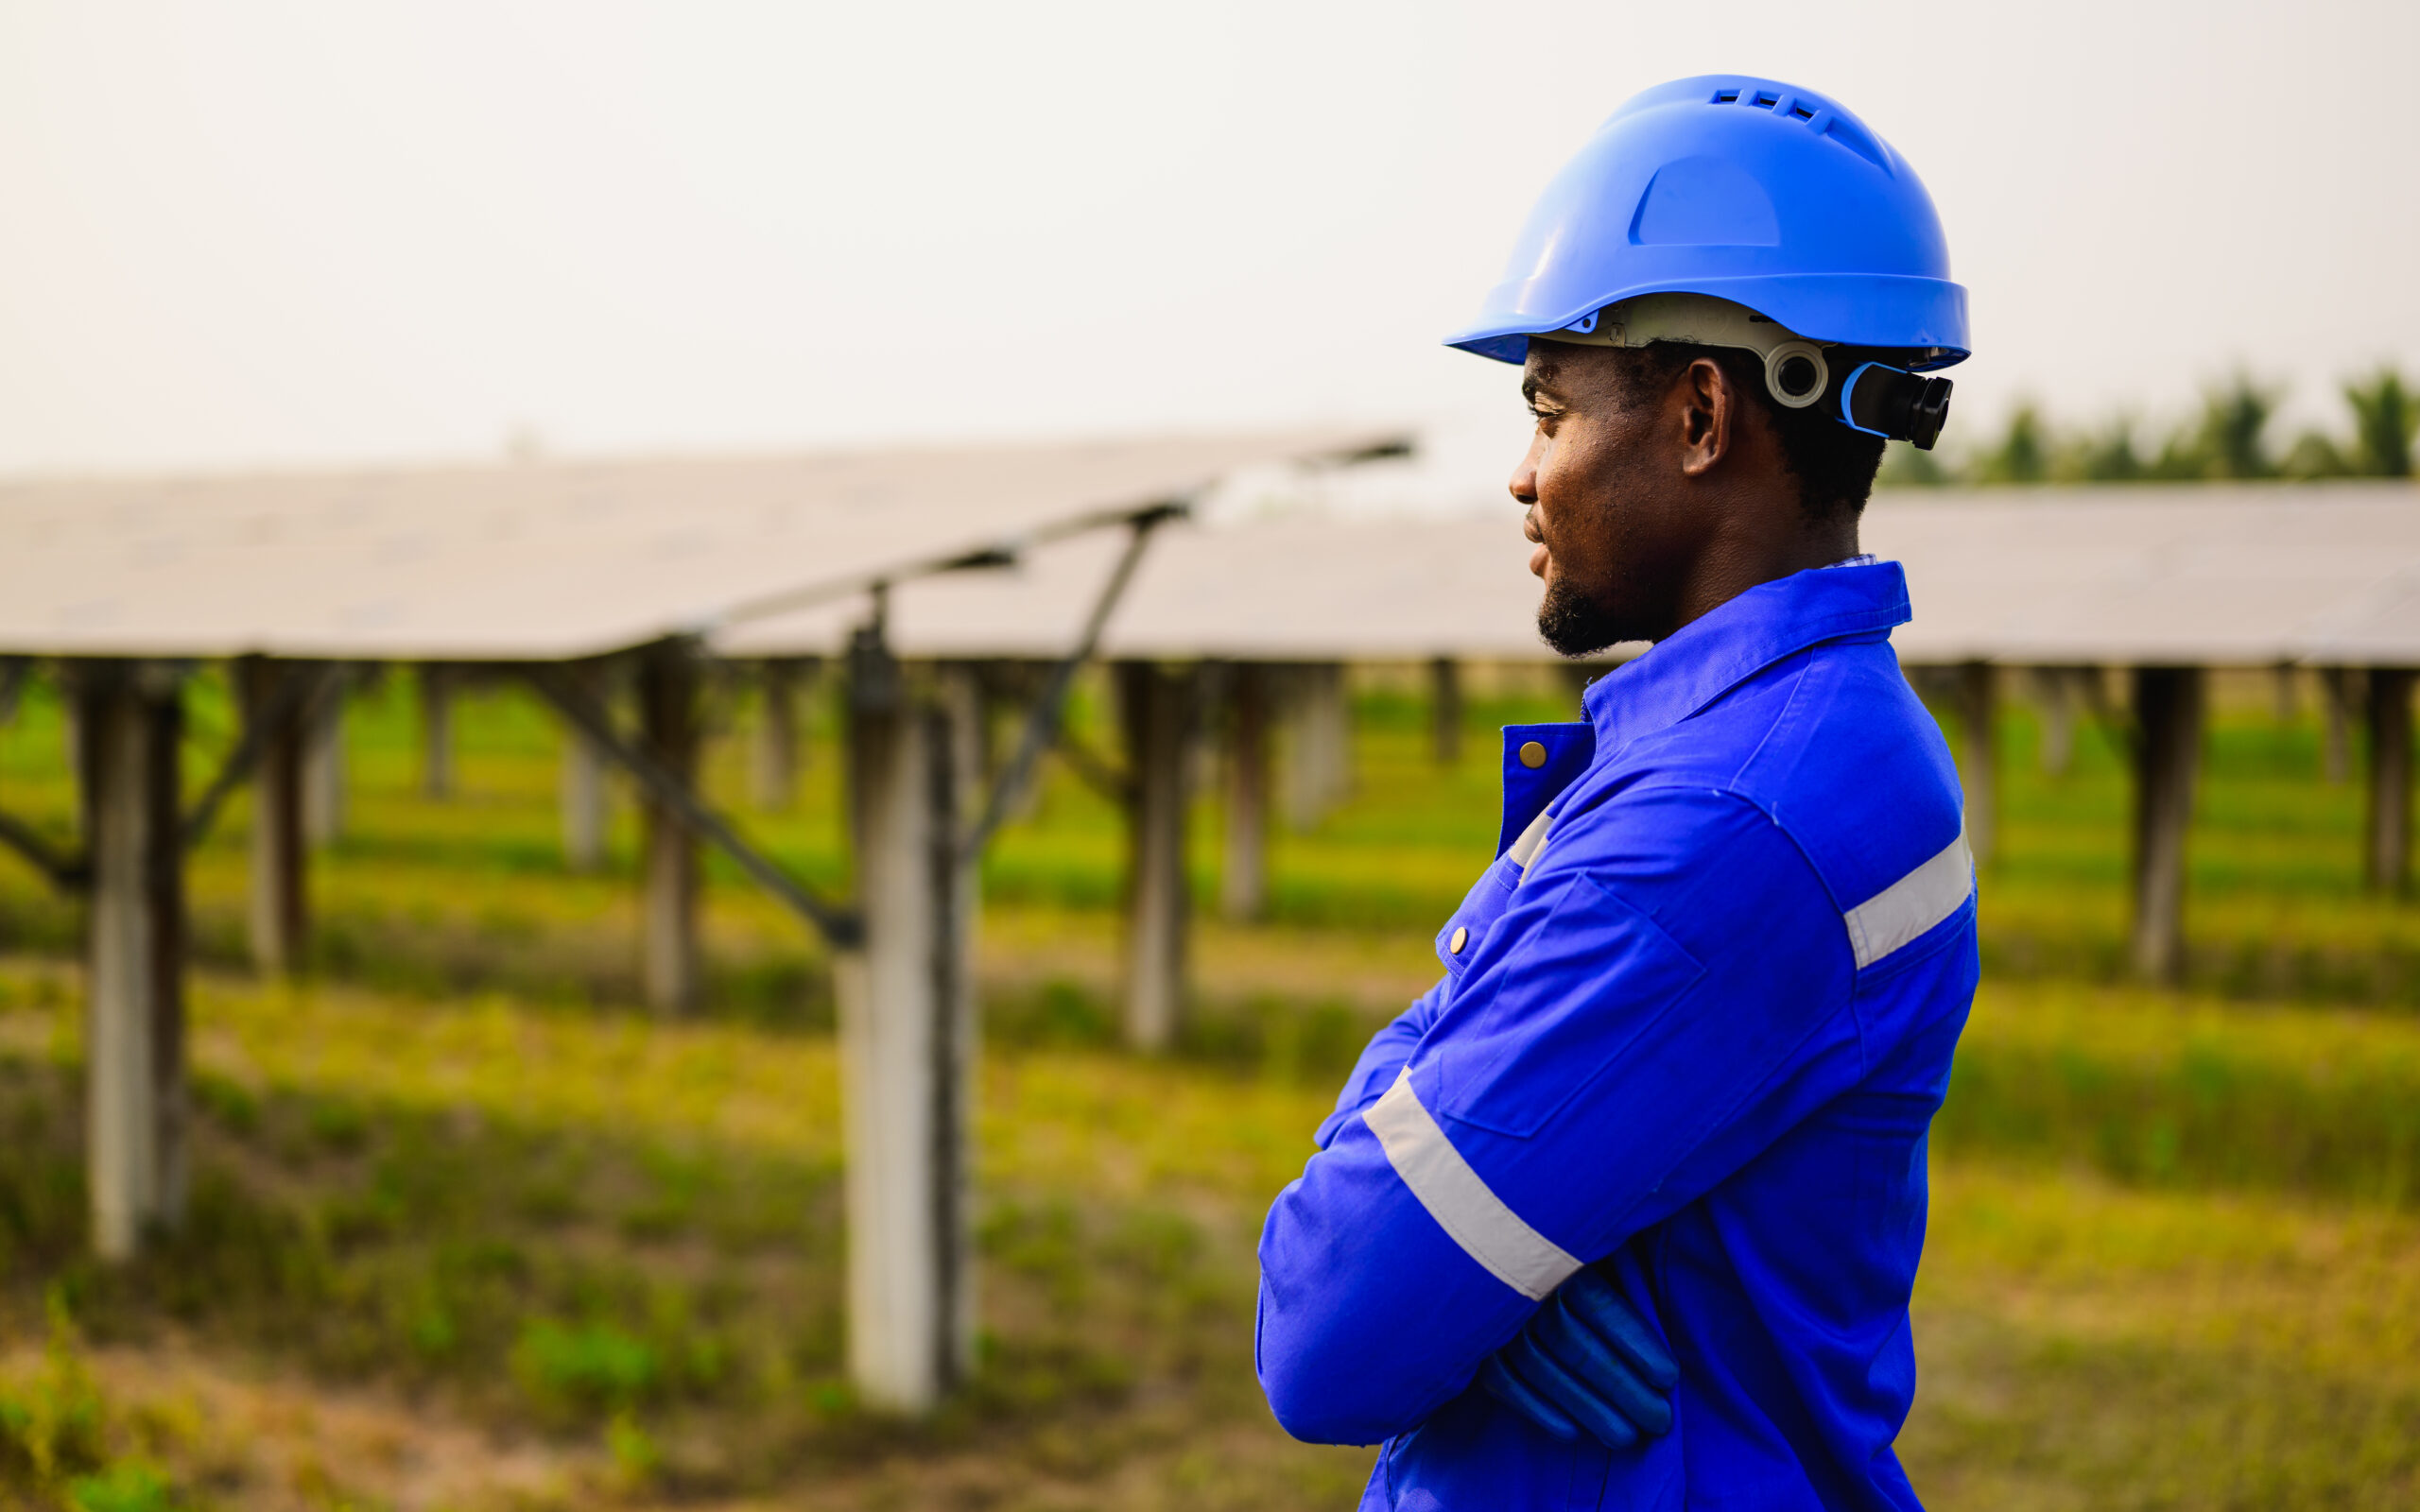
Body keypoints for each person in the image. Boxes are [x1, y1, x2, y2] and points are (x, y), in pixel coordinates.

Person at [1255, 76, 1977, 1509]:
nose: (1523, 476)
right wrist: (1489, 1275)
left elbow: (1323, 1327)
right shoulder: (1822, 743)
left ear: (1701, 415)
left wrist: (1455, 1276)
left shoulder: (1721, 825)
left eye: (1548, 410)